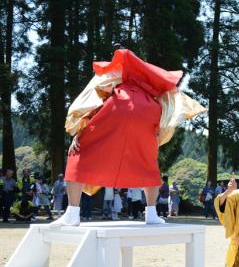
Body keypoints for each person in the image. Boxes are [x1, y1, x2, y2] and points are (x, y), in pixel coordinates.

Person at [51, 48, 205, 227]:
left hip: (119, 105)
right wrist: (156, 135)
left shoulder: (118, 72)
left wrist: (79, 131)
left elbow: (96, 96)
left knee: (79, 152)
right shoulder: (150, 77)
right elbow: (167, 98)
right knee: (148, 162)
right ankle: (152, 214)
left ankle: (72, 213)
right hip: (147, 111)